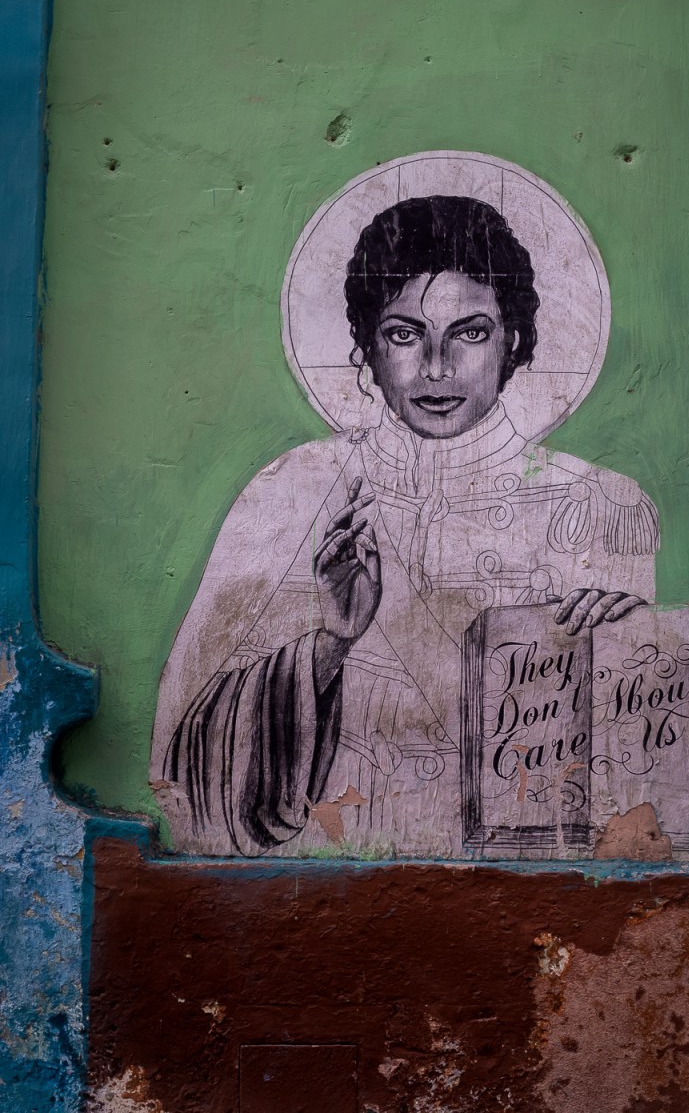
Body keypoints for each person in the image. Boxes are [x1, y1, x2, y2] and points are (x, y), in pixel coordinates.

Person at [151, 196, 659, 857]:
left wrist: (626, 665)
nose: (437, 368)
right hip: (325, 886)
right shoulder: (295, 491)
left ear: (514, 339)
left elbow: (646, 780)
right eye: (404, 333)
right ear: (368, 344)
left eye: (471, 332)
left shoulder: (601, 507)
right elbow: (186, 759)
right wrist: (332, 643)